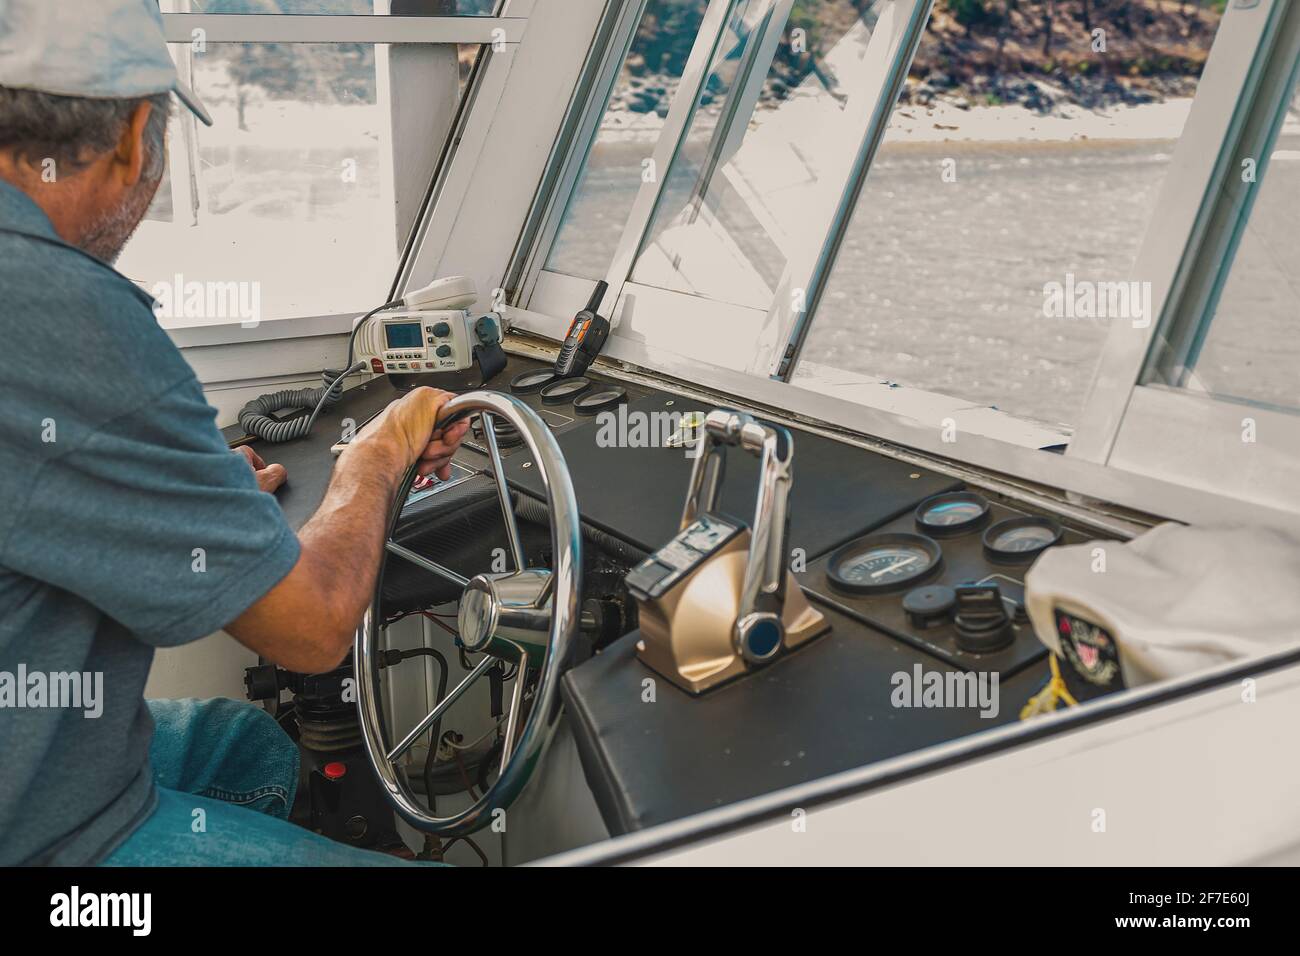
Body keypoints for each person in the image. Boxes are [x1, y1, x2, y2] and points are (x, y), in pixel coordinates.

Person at [0, 0, 469, 865]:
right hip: (46, 842)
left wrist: (180, 506)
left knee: (241, 745)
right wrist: (379, 454)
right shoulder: (64, 313)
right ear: (138, 134)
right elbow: (314, 625)